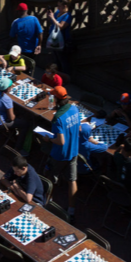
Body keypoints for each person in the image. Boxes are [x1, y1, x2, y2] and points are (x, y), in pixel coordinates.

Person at [43, 86, 82, 216]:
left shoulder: (58, 118)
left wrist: (48, 138)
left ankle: (47, 202)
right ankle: (72, 210)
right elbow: (79, 128)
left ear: (56, 99)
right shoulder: (75, 108)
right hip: (74, 151)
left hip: (59, 154)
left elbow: (60, 141)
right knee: (72, 180)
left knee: (51, 178)